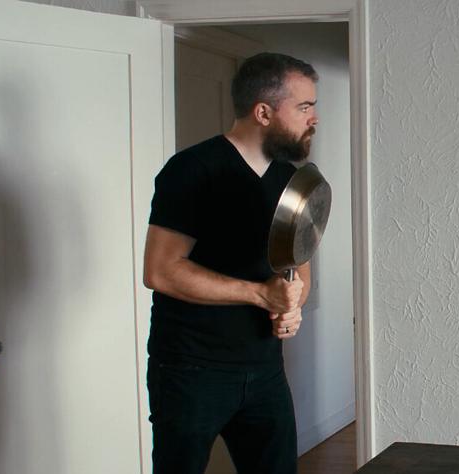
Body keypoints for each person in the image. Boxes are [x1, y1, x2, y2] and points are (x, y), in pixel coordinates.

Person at [142, 52, 320, 473]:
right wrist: (260, 294)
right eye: (303, 107)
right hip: (190, 368)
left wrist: (293, 305)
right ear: (263, 112)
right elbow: (161, 270)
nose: (313, 118)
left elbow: (299, 266)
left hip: (265, 369)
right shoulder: (191, 170)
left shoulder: (289, 179)